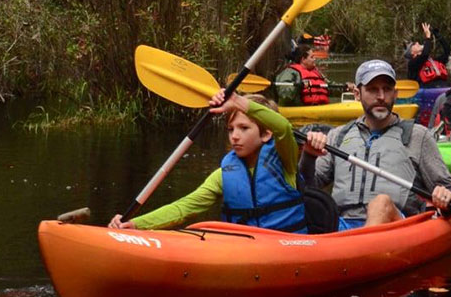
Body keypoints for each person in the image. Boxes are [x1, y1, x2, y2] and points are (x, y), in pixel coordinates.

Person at [108, 91, 308, 232]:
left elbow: (282, 127)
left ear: (266, 134)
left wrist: (239, 101)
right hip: (244, 249)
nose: (234, 137)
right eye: (231, 129)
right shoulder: (224, 174)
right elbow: (185, 208)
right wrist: (135, 224)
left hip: (285, 243)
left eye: (244, 128)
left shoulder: (285, 160)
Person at [299, 59, 451, 227]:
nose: (381, 97)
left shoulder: (417, 135)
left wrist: (446, 195)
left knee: (380, 204)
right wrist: (309, 155)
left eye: (387, 89)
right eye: (372, 89)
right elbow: (308, 188)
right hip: (343, 225)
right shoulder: (338, 135)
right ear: (357, 94)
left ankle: (360, 249)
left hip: (395, 226)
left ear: (395, 94)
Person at [273, 33, 331, 109]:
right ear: (303, 59)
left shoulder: (316, 72)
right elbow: (285, 95)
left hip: (319, 108)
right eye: (312, 57)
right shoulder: (289, 72)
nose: (315, 59)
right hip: (298, 109)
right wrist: (299, 86)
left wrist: (346, 88)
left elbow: (329, 87)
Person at [403, 20, 450, 84]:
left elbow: (448, 52)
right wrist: (428, 36)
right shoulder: (412, 64)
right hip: (425, 90)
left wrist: (438, 36)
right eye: (413, 44)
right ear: (412, 53)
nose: (417, 42)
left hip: (442, 88)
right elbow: (424, 55)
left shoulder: (433, 61)